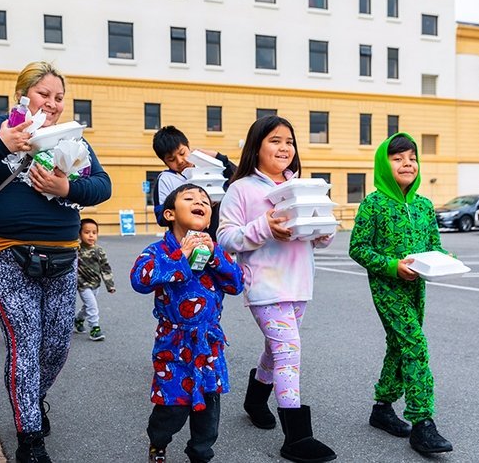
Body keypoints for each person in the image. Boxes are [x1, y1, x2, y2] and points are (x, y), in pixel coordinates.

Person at [0, 61, 112, 463]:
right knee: (25, 341)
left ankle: (31, 403)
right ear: (22, 94)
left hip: (63, 254)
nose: (52, 104)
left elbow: (103, 185)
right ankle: (30, 440)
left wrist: (65, 185)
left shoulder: (70, 138)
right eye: (44, 95)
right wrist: (2, 146)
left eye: (58, 97)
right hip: (3, 249)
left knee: (55, 345)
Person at [217, 115, 337, 463]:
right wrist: (264, 227)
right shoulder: (241, 189)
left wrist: (322, 231)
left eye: (289, 141)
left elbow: (317, 236)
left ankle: (255, 401)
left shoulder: (301, 186)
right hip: (265, 287)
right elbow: (226, 238)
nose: (284, 147)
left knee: (277, 349)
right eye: (275, 140)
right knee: (289, 351)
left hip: (300, 285)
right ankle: (297, 437)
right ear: (256, 147)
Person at [348, 133, 453, 454]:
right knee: (415, 345)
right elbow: (358, 248)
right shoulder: (374, 203)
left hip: (417, 287)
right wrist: (393, 266)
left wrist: (444, 260)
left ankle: (381, 408)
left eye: (412, 158)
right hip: (388, 287)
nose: (407, 163)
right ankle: (423, 422)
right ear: (384, 164)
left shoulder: (423, 205)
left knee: (399, 346)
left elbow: (434, 245)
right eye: (398, 159)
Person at [130, 183, 244, 463]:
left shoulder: (215, 250)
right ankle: (158, 441)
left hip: (208, 344)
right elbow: (140, 279)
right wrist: (179, 256)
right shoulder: (159, 250)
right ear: (169, 214)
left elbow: (236, 283)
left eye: (205, 201)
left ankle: (201, 453)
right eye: (190, 198)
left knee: (209, 409)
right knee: (171, 407)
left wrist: (215, 257)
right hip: (174, 344)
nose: (200, 202)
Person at [151, 125, 236, 240]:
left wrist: (218, 157)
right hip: (185, 242)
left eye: (182, 153)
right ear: (164, 162)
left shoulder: (209, 166)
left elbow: (239, 178)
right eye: (171, 159)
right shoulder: (166, 179)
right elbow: (161, 217)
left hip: (218, 237)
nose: (180, 161)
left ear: (188, 146)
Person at [74, 218, 116, 342]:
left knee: (87, 306)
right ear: (80, 234)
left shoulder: (99, 251)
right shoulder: (76, 249)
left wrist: (110, 285)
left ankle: (78, 319)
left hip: (95, 284)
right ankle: (95, 329)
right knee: (92, 306)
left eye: (94, 232)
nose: (91, 235)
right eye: (87, 232)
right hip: (82, 284)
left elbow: (105, 268)